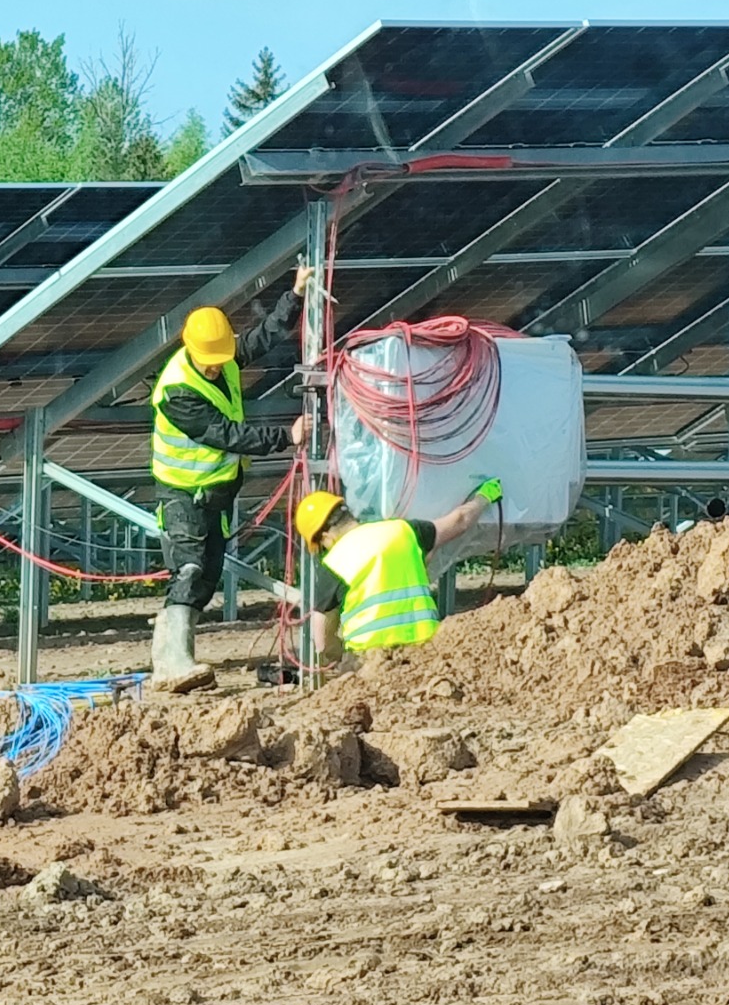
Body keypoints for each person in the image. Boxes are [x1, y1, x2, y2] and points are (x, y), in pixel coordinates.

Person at [149, 266, 312, 689]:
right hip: (183, 493)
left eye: (222, 359)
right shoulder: (178, 391)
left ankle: (174, 663)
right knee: (187, 568)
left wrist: (294, 295)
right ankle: (172, 664)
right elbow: (225, 435)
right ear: (193, 352)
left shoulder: (220, 357)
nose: (219, 368)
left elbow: (262, 337)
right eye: (212, 362)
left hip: (215, 494)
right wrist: (285, 436)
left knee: (205, 576)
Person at [293, 478, 503, 664]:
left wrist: (339, 656)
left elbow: (322, 642)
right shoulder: (404, 531)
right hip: (426, 653)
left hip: (371, 661)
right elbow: (459, 521)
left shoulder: (333, 563)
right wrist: (484, 496)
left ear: (325, 537)